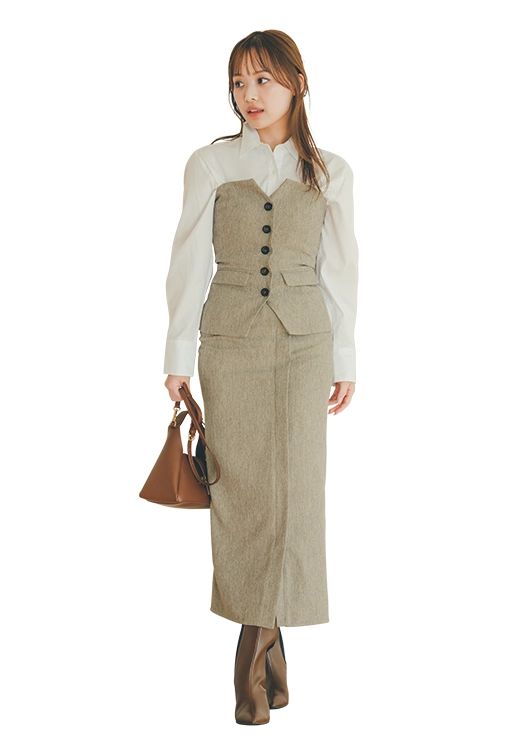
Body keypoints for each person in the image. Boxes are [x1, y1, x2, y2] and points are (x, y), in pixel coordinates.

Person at [162, 30, 359, 725]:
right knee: (242, 494)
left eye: (263, 80)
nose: (250, 95)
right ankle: (262, 645)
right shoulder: (211, 165)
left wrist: (345, 359)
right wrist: (177, 354)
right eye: (239, 83)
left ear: (296, 83)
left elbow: (341, 271)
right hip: (230, 342)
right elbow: (189, 260)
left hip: (306, 346)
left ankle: (258, 647)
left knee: (297, 493)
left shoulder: (331, 171)